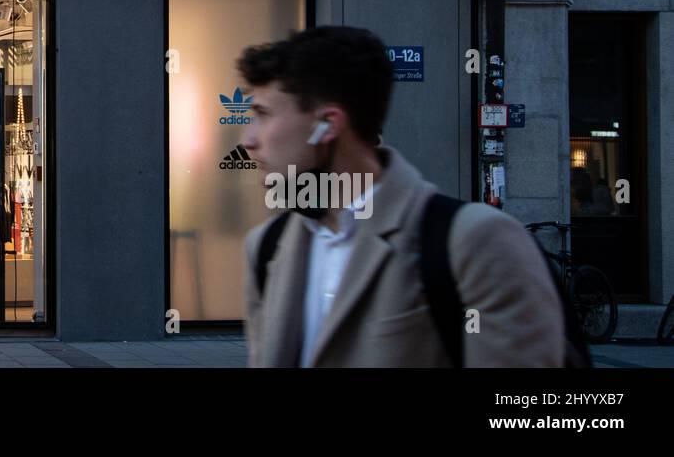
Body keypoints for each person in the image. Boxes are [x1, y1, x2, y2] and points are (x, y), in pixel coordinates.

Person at [239, 26, 567, 367]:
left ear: (328, 125)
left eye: (263, 115)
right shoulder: (266, 247)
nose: (248, 139)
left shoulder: (474, 242)